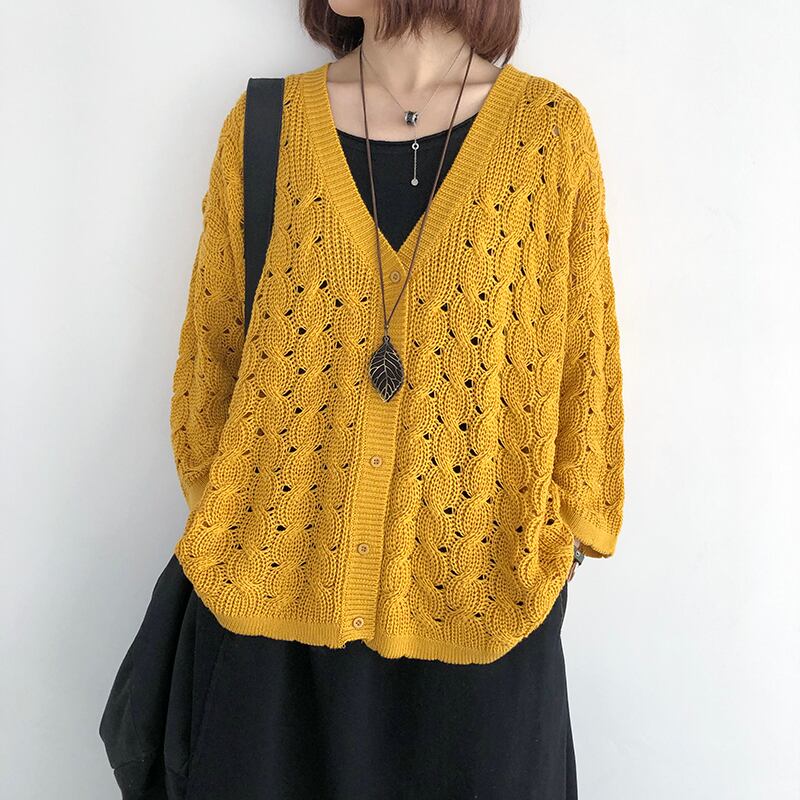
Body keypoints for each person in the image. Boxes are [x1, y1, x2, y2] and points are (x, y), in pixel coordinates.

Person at [99, 2, 625, 798]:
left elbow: (588, 358)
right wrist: (246, 521)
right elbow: (211, 354)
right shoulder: (265, 127)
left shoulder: (548, 135)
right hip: (271, 628)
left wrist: (566, 535)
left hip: (481, 613)